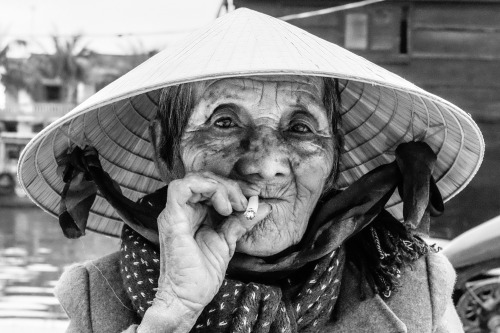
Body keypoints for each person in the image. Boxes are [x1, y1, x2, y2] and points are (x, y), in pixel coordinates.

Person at [18, 8, 483, 333]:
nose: (264, 165)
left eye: (301, 127)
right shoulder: (96, 296)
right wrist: (172, 313)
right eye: (224, 122)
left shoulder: (416, 286)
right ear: (166, 148)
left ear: (335, 158)